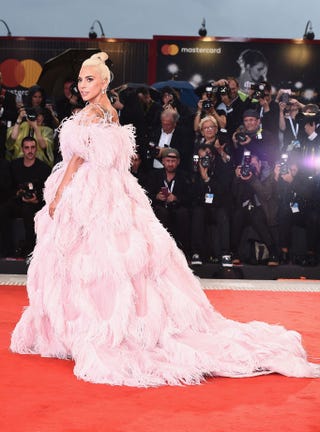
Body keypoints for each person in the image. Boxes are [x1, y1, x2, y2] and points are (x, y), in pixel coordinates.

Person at [10, 51, 320, 387]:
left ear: (103, 83)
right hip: (110, 189)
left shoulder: (93, 113)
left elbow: (77, 159)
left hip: (90, 190)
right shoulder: (109, 111)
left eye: (90, 79)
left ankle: (96, 326)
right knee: (103, 258)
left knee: (96, 260)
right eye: (82, 79)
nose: (83, 85)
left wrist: (58, 195)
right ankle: (93, 324)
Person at [0, 136, 51, 258]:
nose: (30, 151)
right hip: (18, 201)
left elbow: (48, 190)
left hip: (36, 203)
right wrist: (18, 194)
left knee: (29, 212)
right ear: (22, 149)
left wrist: (37, 198)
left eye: (33, 147)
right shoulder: (14, 166)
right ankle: (6, 251)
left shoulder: (44, 168)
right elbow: (8, 188)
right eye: (27, 148)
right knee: (3, 210)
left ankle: (30, 252)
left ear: (36, 149)